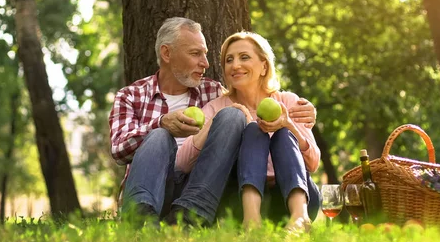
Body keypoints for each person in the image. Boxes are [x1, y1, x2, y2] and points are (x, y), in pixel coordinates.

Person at [109, 17, 316, 227]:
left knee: (235, 117)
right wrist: (162, 123)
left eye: (206, 54)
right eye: (195, 53)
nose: (206, 63)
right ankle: (140, 221)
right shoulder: (131, 96)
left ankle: (191, 217)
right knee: (159, 136)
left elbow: (250, 101)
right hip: (154, 185)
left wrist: (298, 117)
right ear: (167, 53)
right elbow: (119, 149)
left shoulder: (212, 91)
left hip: (200, 188)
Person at [177, 32, 320, 232]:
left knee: (283, 133)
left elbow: (313, 163)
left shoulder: (288, 101)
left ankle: (299, 218)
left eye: (244, 57)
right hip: (240, 202)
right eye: (229, 60)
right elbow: (182, 163)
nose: (235, 65)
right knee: (253, 130)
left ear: (264, 66)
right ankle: (251, 222)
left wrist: (288, 124)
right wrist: (216, 122)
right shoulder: (217, 107)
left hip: (293, 197)